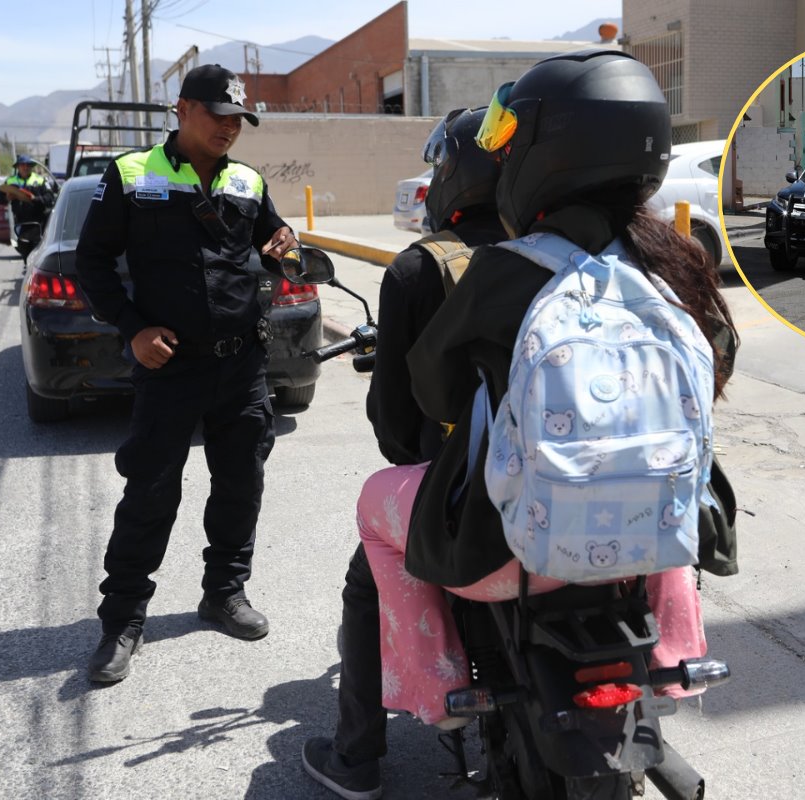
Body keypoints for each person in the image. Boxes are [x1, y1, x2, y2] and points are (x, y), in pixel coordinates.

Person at [349, 49, 737, 750]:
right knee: (657, 474)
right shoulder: (678, 260)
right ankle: (678, 659)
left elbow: (431, 387)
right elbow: (718, 366)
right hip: (656, 544)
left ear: (544, 155)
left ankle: (435, 688)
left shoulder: (506, 268)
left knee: (374, 507)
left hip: (514, 556)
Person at [301, 107, 505, 800]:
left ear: (455, 173)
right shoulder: (569, 253)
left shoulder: (423, 269)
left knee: (367, 583)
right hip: (576, 488)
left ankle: (355, 757)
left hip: (462, 500)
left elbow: (394, 428)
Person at [75, 63, 298, 683]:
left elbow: (274, 245)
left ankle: (224, 593)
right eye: (218, 116)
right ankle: (122, 617)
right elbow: (92, 262)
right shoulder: (131, 175)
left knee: (240, 484)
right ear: (182, 109)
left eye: (238, 120)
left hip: (242, 366)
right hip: (169, 368)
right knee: (150, 490)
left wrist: (283, 249)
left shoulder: (249, 181)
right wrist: (133, 327)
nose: (230, 128)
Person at [1, 154, 51, 233]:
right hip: (19, 223)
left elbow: (49, 199)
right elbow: (0, 200)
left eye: (28, 165)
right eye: (22, 165)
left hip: (38, 222)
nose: (25, 167)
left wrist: (34, 199)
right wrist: (8, 198)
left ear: (31, 167)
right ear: (18, 167)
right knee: (21, 244)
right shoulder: (10, 181)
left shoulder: (40, 180)